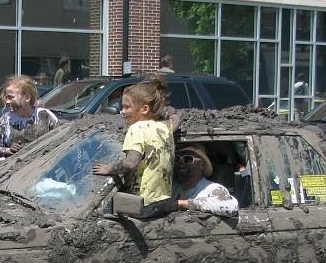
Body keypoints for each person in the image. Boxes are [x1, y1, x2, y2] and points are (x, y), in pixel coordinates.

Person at [92, 74, 175, 206]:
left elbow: (130, 163)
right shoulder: (164, 127)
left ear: (145, 109)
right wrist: (166, 111)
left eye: (127, 107)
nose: (122, 112)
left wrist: (109, 169)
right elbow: (176, 119)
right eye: (122, 107)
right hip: (162, 202)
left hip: (141, 204)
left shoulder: (136, 128)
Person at [0, 75, 59, 158]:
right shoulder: (6, 120)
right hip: (16, 169)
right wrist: (8, 150)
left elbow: (60, 142)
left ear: (27, 97)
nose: (7, 101)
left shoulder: (46, 116)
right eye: (6, 98)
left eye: (11, 97)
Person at [170, 144, 238, 217]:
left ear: (201, 164)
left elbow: (230, 206)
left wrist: (183, 204)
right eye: (177, 159)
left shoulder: (211, 188)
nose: (181, 163)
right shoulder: (172, 189)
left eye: (187, 159)